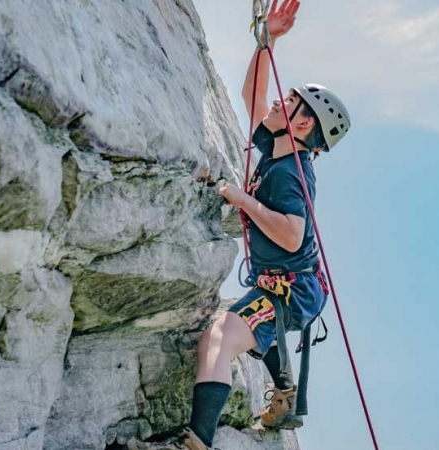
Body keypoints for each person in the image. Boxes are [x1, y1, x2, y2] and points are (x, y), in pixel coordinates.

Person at [129, 1, 350, 449]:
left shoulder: (292, 174)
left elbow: (292, 234)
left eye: (289, 102)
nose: (278, 101)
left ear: (303, 123)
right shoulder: (278, 149)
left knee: (219, 336)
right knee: (244, 328)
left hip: (291, 289)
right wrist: (264, 42)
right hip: (282, 285)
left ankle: (197, 442)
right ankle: (284, 392)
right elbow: (253, 99)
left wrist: (243, 199)